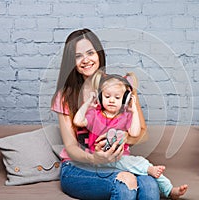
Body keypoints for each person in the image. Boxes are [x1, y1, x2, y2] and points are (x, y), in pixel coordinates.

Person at [51, 28, 161, 200]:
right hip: (78, 167)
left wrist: (124, 137)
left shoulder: (121, 86)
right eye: (78, 56)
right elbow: (71, 147)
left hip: (118, 162)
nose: (86, 60)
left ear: (99, 54)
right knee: (125, 183)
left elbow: (142, 133)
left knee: (150, 185)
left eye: (90, 53)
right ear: (71, 61)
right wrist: (95, 158)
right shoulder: (64, 97)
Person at [73, 71, 188, 199]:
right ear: (100, 97)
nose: (111, 100)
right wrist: (88, 102)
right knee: (143, 164)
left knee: (141, 169)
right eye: (107, 96)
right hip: (101, 159)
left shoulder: (126, 116)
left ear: (125, 99)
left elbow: (134, 133)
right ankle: (167, 188)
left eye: (117, 98)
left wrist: (133, 110)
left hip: (121, 159)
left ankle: (169, 190)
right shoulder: (94, 114)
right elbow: (77, 121)